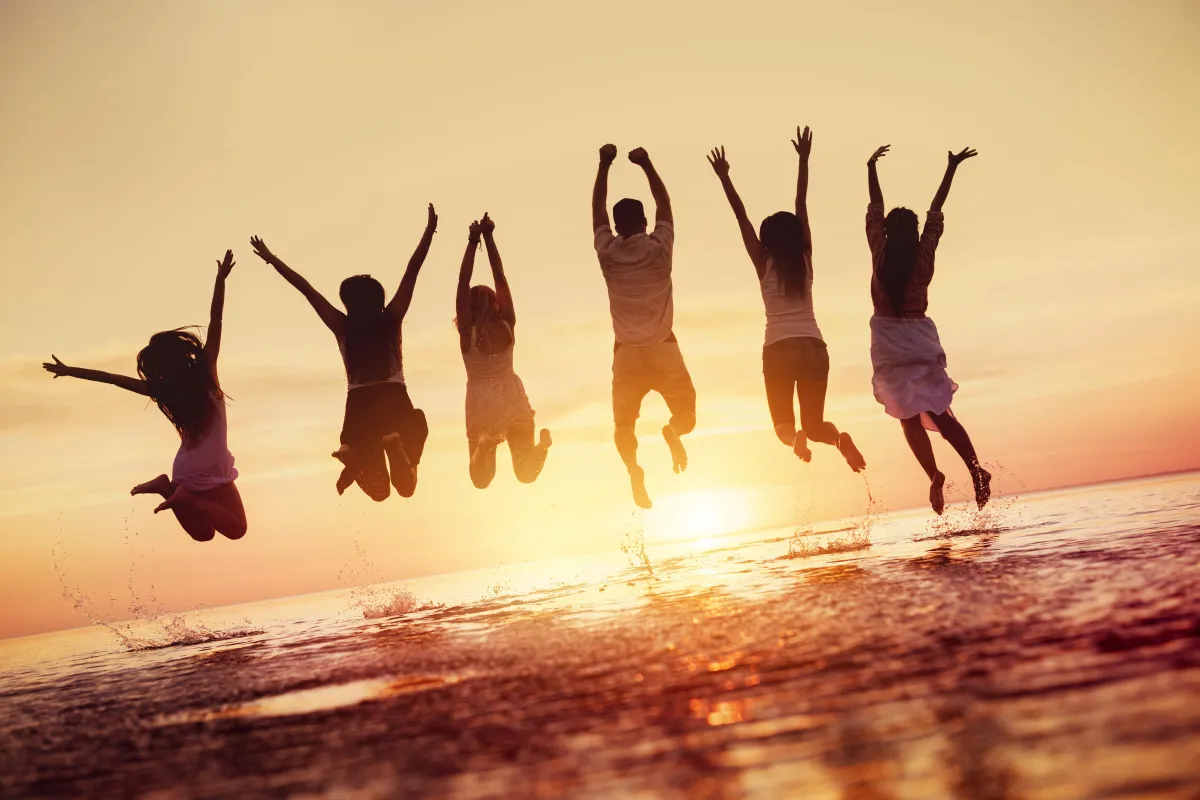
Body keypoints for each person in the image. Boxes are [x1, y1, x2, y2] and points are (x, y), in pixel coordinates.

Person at [42, 251, 247, 542]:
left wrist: (69, 370)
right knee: (236, 530)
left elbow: (111, 379)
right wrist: (220, 281)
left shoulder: (164, 391)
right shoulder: (207, 374)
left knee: (204, 534)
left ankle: (169, 489)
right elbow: (217, 320)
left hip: (186, 472)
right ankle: (177, 494)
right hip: (210, 470)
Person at [249, 205, 435, 501]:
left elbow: (306, 289)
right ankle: (396, 446)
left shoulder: (342, 325)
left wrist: (272, 259)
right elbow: (412, 271)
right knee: (407, 488)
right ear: (379, 297)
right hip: (393, 397)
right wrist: (428, 233)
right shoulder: (392, 319)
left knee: (379, 493)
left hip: (359, 407)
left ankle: (354, 455)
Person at [707, 127, 866, 472]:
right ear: (796, 237)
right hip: (813, 345)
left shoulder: (763, 262)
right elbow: (801, 203)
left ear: (766, 241)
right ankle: (839, 440)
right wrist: (804, 159)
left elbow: (741, 216)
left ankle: (793, 438)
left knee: (783, 424)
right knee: (816, 423)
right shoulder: (805, 256)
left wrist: (724, 177)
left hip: (777, 348)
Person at [865, 144, 991, 514]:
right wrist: (951, 167)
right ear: (916, 232)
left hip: (888, 338)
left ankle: (934, 475)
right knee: (939, 412)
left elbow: (874, 208)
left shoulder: (879, 252)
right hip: (920, 335)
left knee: (907, 415)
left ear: (886, 232)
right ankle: (975, 469)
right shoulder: (924, 254)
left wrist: (871, 167)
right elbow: (936, 211)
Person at [592, 144, 696, 509]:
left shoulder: (607, 251)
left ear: (617, 227)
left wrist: (604, 164)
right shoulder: (659, 248)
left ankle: (634, 470)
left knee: (623, 427)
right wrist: (646, 163)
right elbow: (664, 203)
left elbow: (596, 210)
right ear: (644, 223)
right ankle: (673, 431)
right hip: (664, 347)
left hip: (627, 355)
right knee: (687, 414)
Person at [455, 213, 551, 488]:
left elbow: (463, 281)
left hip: (481, 403)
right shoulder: (507, 324)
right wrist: (489, 236)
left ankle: (483, 449)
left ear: (469, 310)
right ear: (496, 303)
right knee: (526, 474)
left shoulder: (466, 332)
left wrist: (473, 240)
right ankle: (542, 448)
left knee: (481, 479)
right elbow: (500, 276)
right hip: (512, 397)